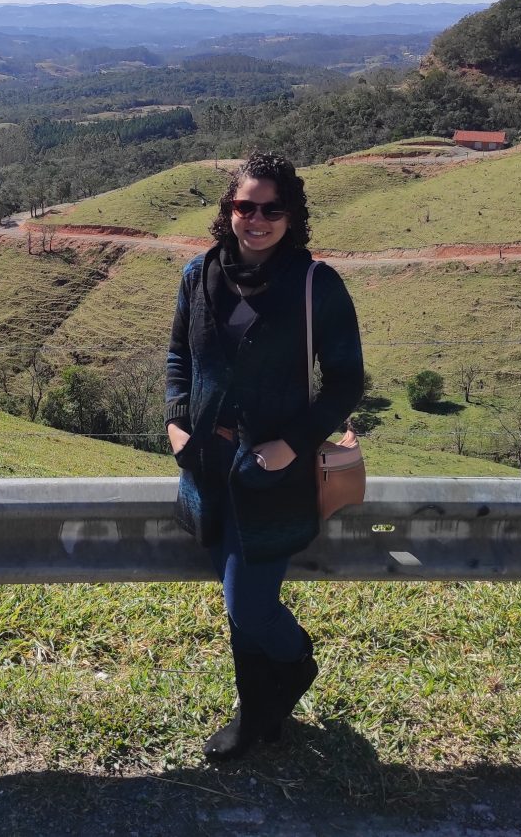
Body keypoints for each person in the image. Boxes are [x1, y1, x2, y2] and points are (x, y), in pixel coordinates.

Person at [165, 151, 365, 761]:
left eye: (271, 209)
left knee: (247, 605)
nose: (256, 219)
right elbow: (178, 359)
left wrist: (292, 444)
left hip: (275, 475)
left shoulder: (314, 284)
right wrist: (177, 424)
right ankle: (259, 720)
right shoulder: (198, 276)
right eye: (245, 207)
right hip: (208, 469)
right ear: (227, 212)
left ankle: (296, 665)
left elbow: (346, 383)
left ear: (291, 216)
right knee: (239, 605)